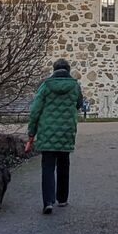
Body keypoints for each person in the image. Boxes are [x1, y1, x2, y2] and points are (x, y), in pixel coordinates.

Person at [27, 58, 83, 214]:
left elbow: (35, 111)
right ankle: (63, 199)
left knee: (48, 167)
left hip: (47, 132)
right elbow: (79, 104)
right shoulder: (75, 87)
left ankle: (48, 202)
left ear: (54, 70)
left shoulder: (45, 86)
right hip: (66, 131)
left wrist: (31, 133)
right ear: (68, 70)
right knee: (64, 165)